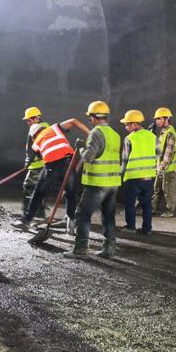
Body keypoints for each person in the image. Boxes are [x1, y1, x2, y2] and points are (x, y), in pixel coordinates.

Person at [64, 101, 122, 260]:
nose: (89, 119)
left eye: (89, 116)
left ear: (93, 117)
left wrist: (82, 147)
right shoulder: (114, 134)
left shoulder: (96, 133)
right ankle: (109, 249)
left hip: (97, 184)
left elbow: (89, 158)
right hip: (113, 183)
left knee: (82, 215)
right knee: (108, 216)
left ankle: (80, 249)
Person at [19, 117, 90, 234]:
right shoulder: (54, 127)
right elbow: (73, 121)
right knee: (70, 193)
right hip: (68, 163)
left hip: (51, 166)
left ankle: (26, 221)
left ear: (33, 136)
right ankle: (71, 224)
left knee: (39, 193)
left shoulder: (35, 143)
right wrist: (90, 133)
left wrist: (28, 162)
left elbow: (41, 155)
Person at [119, 110, 157, 235]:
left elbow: (125, 159)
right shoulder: (153, 136)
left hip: (133, 177)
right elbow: (159, 154)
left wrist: (121, 173)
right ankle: (147, 229)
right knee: (146, 204)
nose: (126, 127)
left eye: (127, 124)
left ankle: (131, 227)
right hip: (148, 177)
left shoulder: (129, 138)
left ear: (134, 124)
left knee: (130, 203)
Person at [151, 106, 176, 217]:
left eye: (160, 119)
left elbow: (168, 154)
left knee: (168, 190)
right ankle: (152, 208)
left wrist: (162, 166)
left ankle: (169, 211)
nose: (158, 121)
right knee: (157, 188)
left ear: (167, 119)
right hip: (162, 167)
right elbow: (160, 150)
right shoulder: (163, 132)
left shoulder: (170, 133)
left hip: (169, 168)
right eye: (157, 119)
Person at [19, 106, 48, 223]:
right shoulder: (46, 127)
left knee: (28, 187)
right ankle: (40, 214)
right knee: (38, 189)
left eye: (29, 120)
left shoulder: (36, 128)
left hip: (37, 165)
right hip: (45, 164)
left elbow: (32, 148)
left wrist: (28, 160)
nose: (27, 122)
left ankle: (27, 214)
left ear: (36, 118)